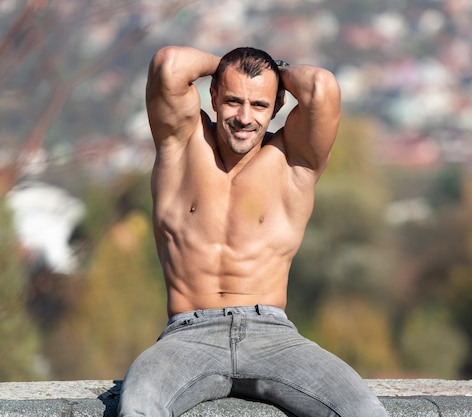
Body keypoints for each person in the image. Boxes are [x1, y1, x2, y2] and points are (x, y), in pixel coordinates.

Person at [117, 45, 389, 417]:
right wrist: (227, 64)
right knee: (138, 407)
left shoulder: (295, 161)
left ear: (276, 107)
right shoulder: (181, 143)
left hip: (274, 338)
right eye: (233, 101)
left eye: (259, 105)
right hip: (188, 336)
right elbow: (169, 65)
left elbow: (321, 87)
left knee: (364, 411)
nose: (245, 117)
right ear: (212, 96)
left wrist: (271, 69)